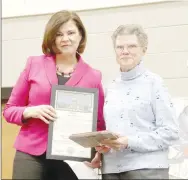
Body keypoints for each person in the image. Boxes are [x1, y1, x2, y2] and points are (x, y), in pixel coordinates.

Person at [3, 10, 105, 180]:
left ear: (81, 35)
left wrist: (97, 151)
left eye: (71, 32)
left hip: (70, 157)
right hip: (30, 152)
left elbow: (99, 123)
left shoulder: (93, 76)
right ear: (52, 38)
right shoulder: (33, 64)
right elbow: (9, 110)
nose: (65, 38)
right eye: (59, 34)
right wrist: (31, 111)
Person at [92, 24, 179, 179]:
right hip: (111, 170)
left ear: (143, 50)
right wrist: (101, 148)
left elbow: (170, 132)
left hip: (147, 169)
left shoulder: (154, 83)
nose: (125, 51)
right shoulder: (110, 87)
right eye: (120, 47)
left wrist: (129, 141)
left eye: (131, 46)